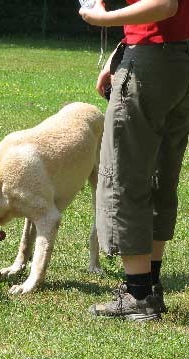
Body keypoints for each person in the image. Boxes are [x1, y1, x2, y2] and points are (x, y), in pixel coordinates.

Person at [79, 0, 189, 321]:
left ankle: (138, 295)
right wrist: (120, 53)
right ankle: (150, 286)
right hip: (179, 59)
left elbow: (164, 5)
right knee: (159, 175)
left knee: (124, 174)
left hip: (151, 63)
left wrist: (103, 19)